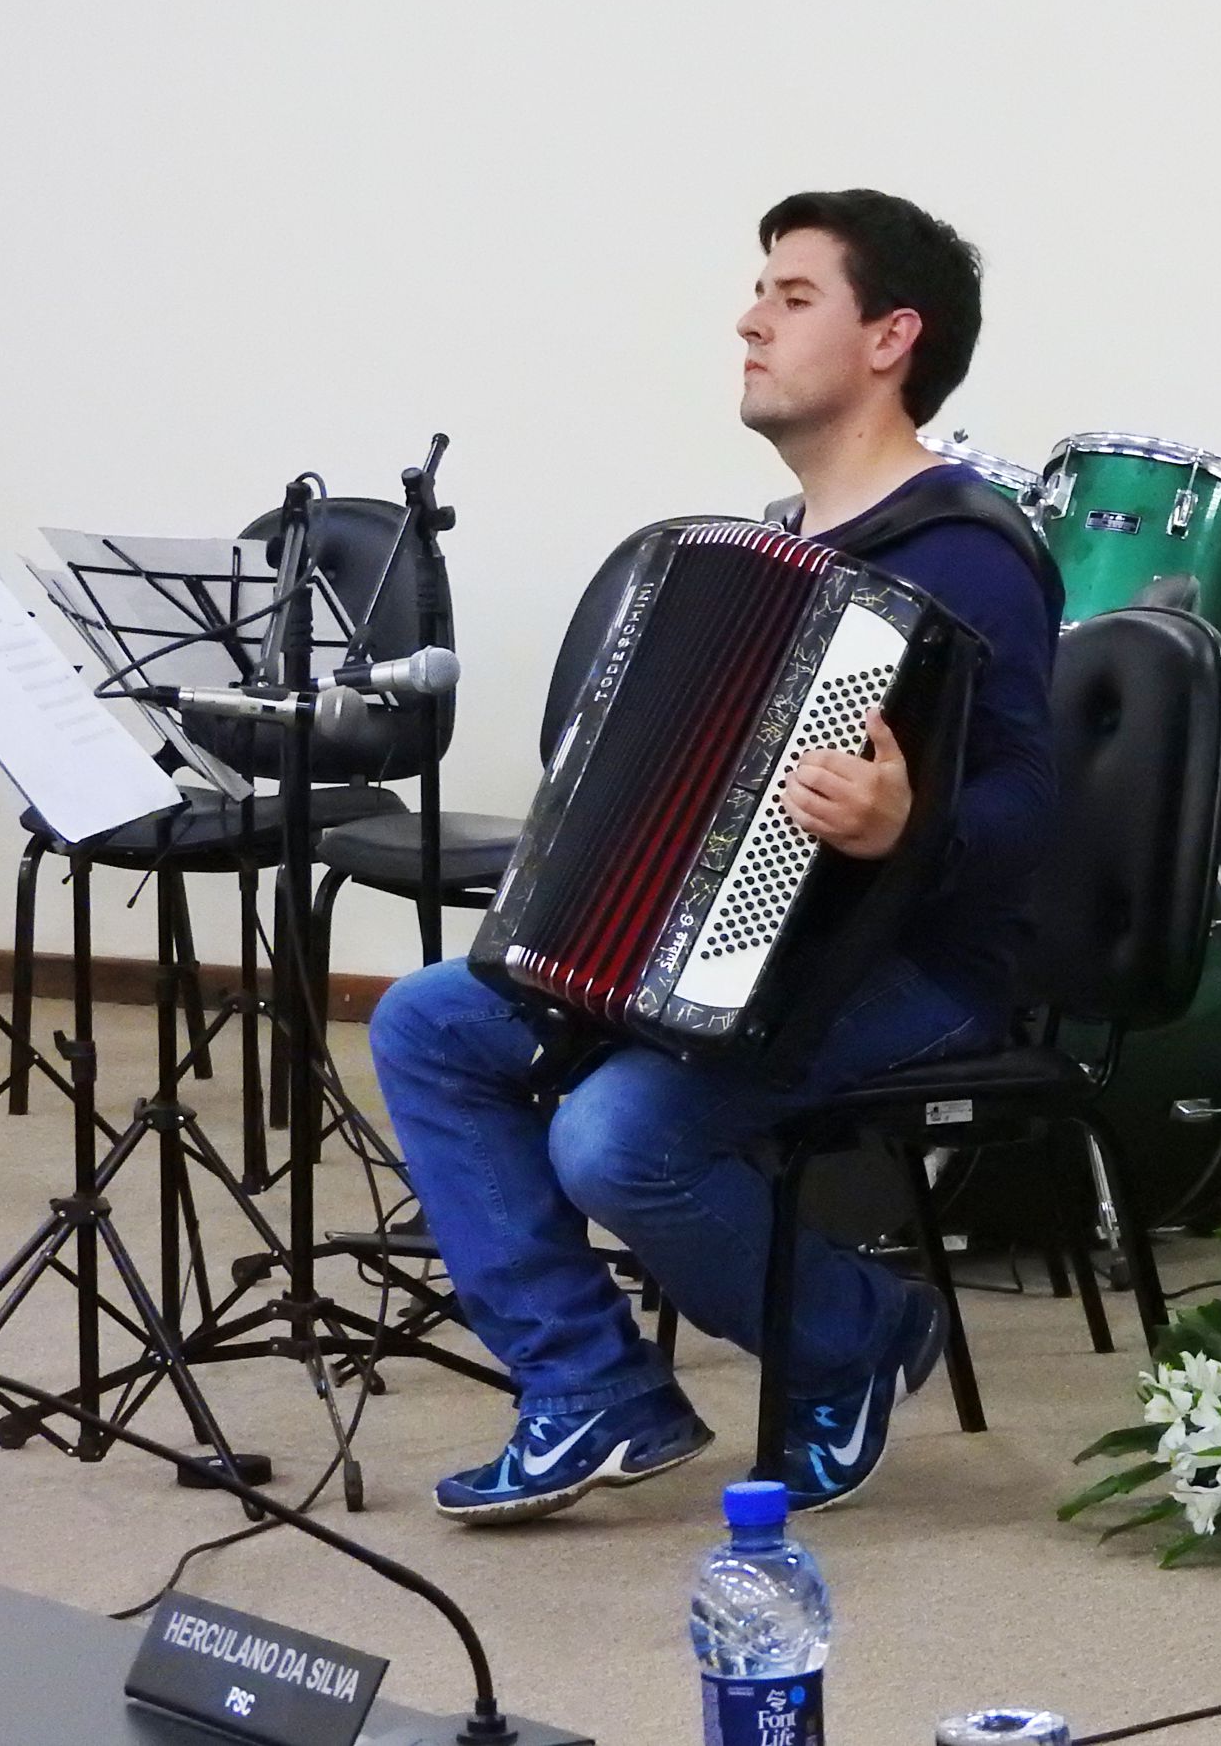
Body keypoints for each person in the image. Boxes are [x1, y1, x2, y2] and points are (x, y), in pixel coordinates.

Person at [369, 189, 1062, 1524]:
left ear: (890, 339)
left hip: (904, 964)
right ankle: (590, 1386)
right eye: (758, 292)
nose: (750, 320)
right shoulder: (768, 549)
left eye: (793, 297)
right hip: (712, 948)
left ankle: (855, 1335)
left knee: (615, 1140)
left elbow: (1033, 805)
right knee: (428, 1024)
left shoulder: (965, 555)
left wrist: (904, 826)